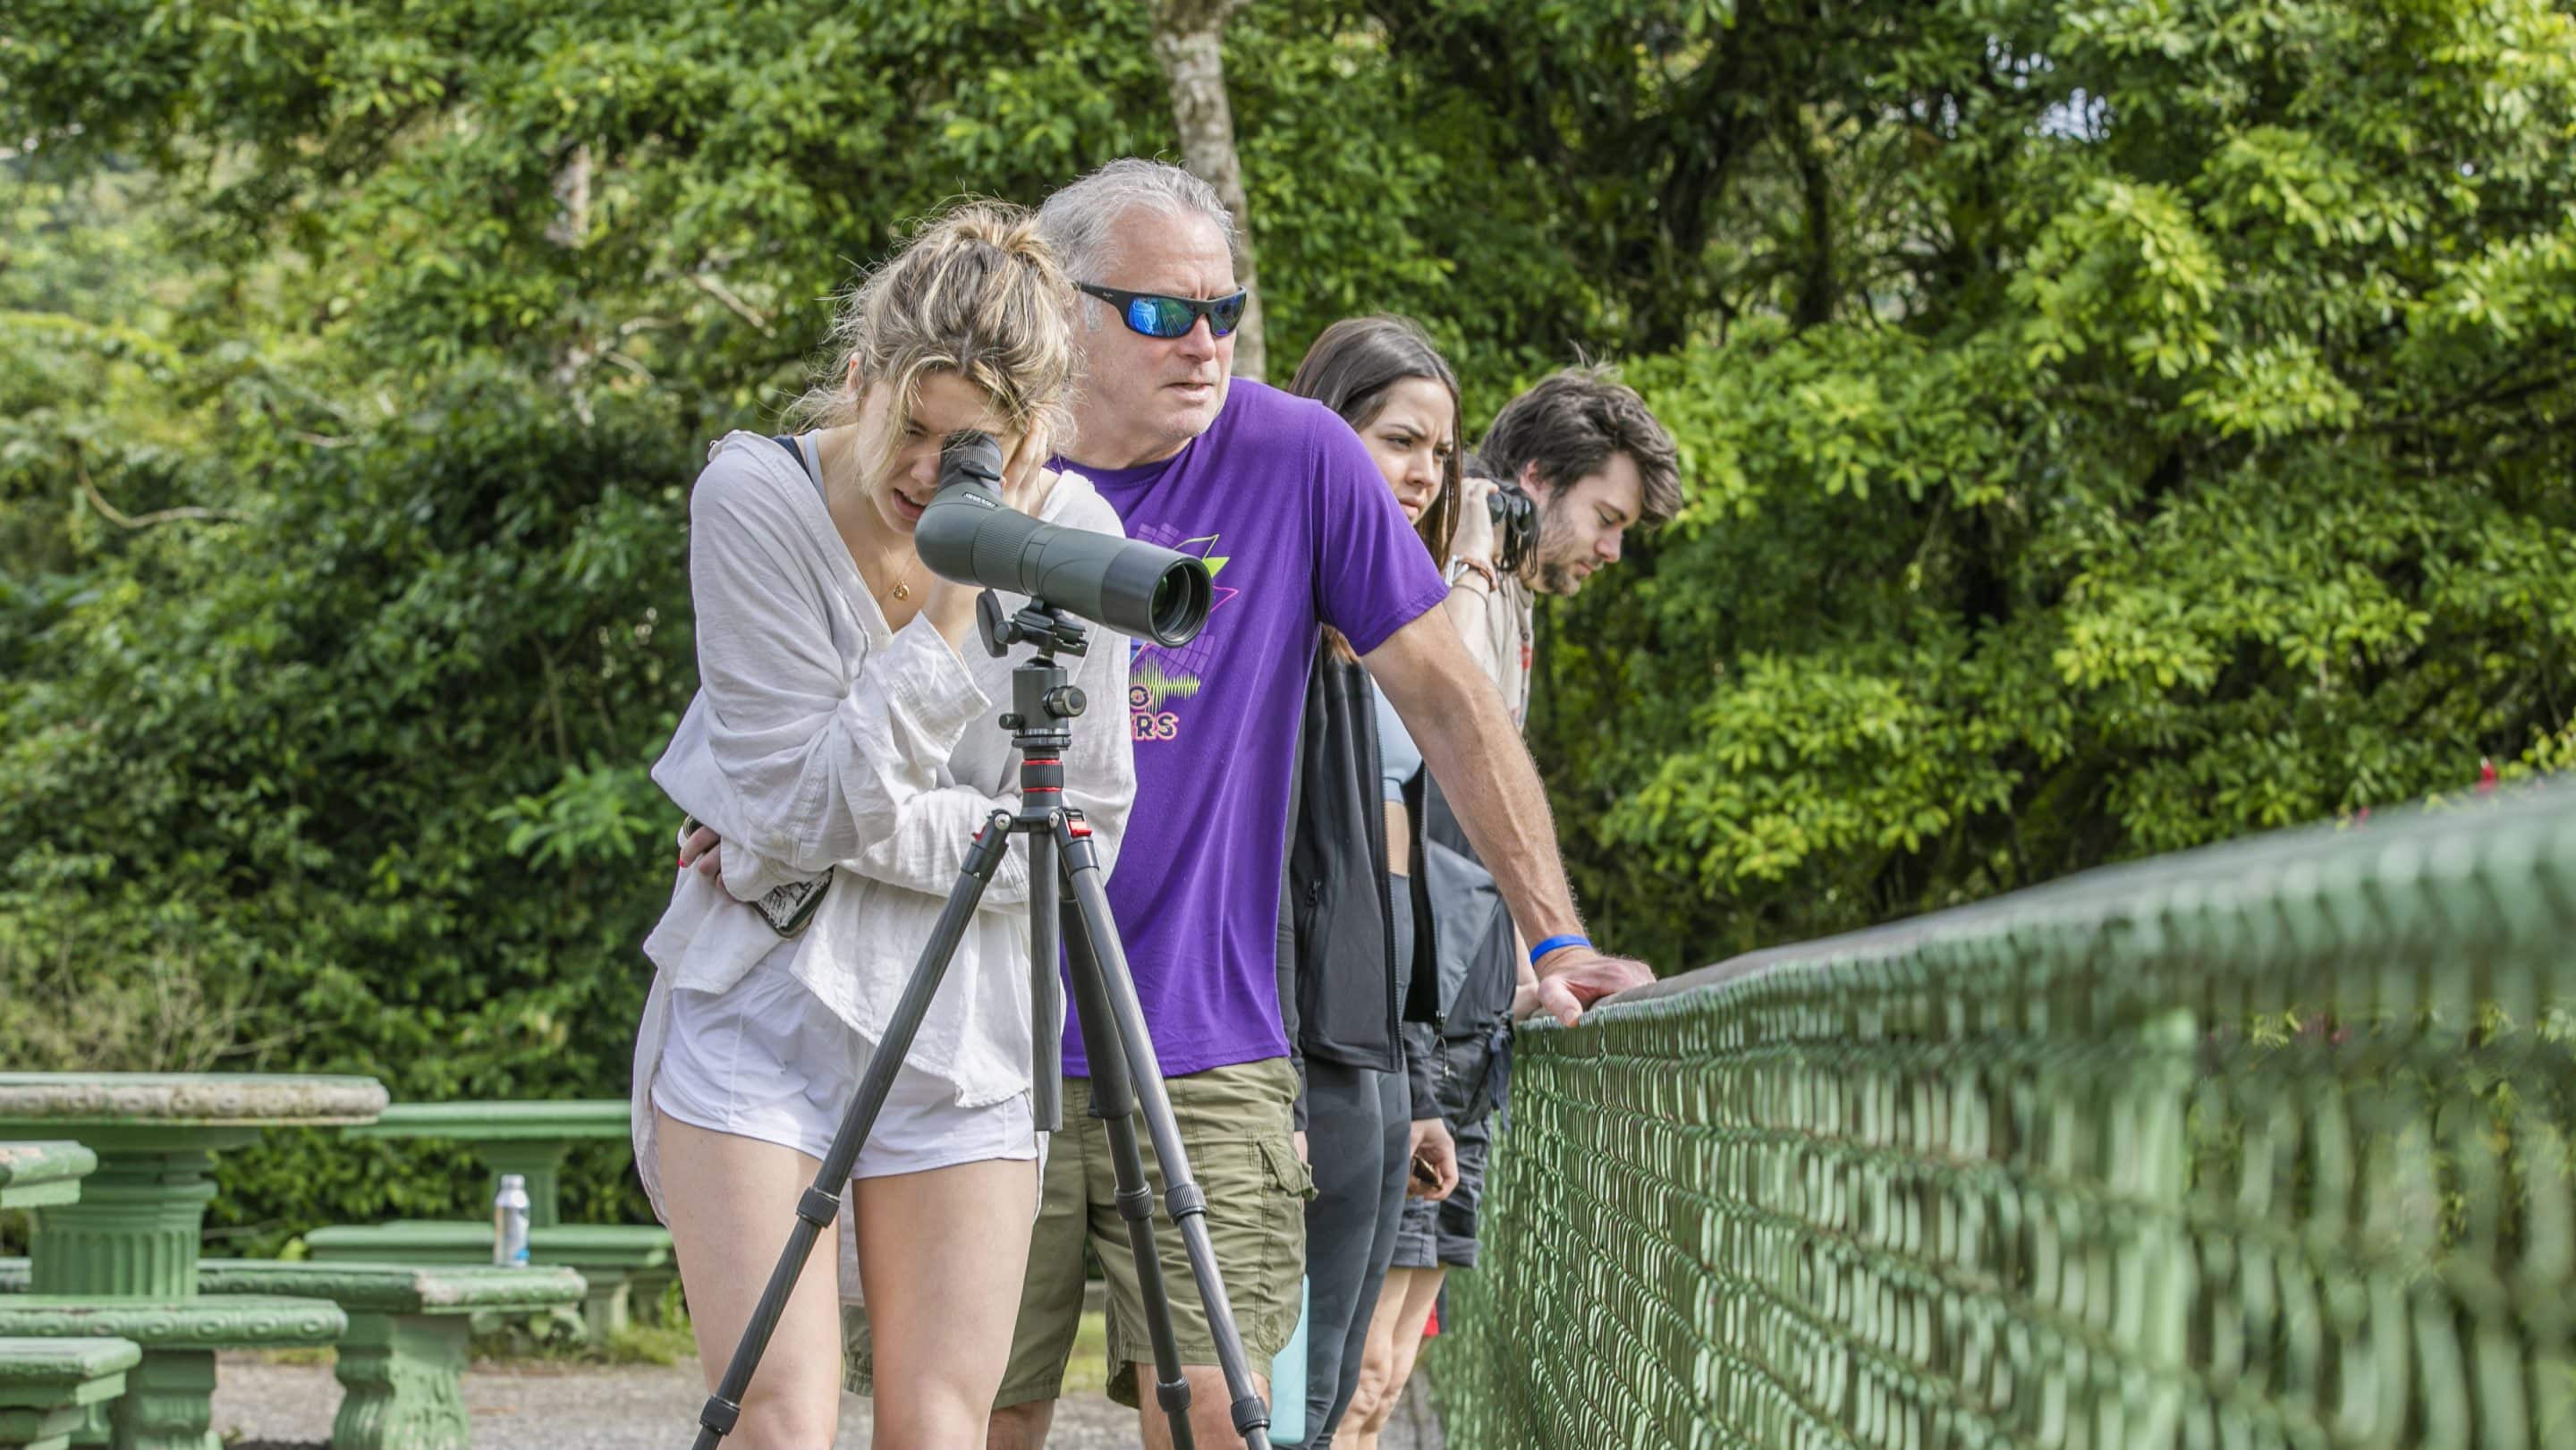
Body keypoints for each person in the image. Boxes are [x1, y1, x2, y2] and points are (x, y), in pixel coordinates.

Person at [691, 160, 1655, 1450]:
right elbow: (790, 713)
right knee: (966, 1417)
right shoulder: (908, 473)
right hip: (969, 1022)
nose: (1207, 342)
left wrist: (1554, 938)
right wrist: (749, 804)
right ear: (1059, 303)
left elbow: (1443, 693)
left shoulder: (1286, 459)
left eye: (1226, 307)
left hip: (1201, 1040)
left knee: (1214, 1415)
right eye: (1162, 312)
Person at [632, 201, 1137, 1450]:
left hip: (968, 1028)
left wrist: (782, 832)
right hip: (761, 1004)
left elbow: (1080, 847)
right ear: (860, 376)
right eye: (912, 428)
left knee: (937, 1425)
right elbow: (805, 804)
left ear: (1037, 437)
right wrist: (953, 609)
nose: (930, 473)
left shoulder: (1076, 540)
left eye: (979, 451)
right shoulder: (755, 497)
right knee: (780, 1423)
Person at [1342, 366, 1683, 1449]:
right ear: (1534, 481)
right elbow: (1418, 805)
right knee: (1355, 1371)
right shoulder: (1446, 573)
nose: (1612, 549)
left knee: (1392, 1367)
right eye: (1605, 517)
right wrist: (1474, 561)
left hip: (1474, 1029)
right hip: (1415, 1036)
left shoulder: (1508, 599)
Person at [1278, 315, 1513, 1446]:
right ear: (1326, 436)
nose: (1424, 475)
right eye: (1398, 442)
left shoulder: (1380, 619)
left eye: (1440, 452)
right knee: (1283, 1391)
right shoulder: (1276, 611)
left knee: (1325, 1395)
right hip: (1281, 1041)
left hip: (1374, 1042)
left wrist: (1408, 1076)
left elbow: (1391, 871)